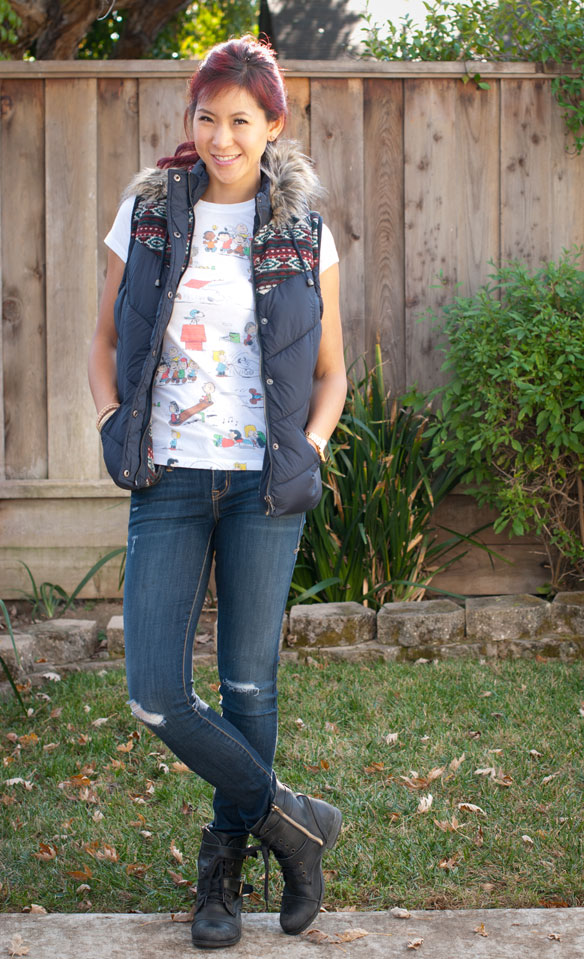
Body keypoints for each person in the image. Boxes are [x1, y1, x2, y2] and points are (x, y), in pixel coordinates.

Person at [88, 35, 347, 951]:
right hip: (167, 475)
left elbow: (332, 372)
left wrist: (309, 451)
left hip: (262, 486)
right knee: (156, 689)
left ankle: (226, 866)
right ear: (189, 120)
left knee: (248, 684)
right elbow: (104, 336)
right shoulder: (149, 211)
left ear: (273, 125)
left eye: (241, 120)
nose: (221, 136)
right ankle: (297, 821)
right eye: (207, 116)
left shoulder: (301, 232)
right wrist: (115, 421)